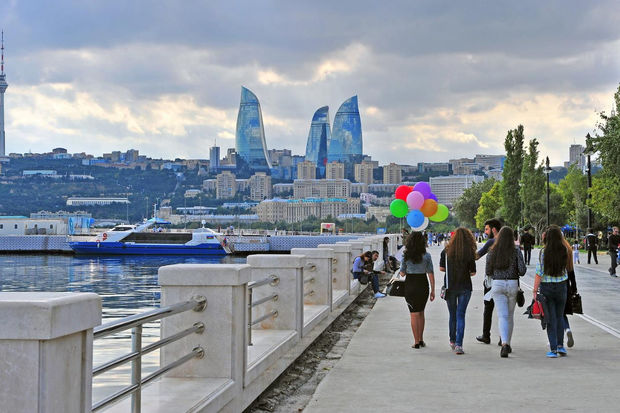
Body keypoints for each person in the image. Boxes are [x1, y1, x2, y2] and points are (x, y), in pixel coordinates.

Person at [486, 227, 526, 358]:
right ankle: (507, 343)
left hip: (497, 284)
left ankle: (504, 344)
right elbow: (522, 270)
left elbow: (488, 271)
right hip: (513, 284)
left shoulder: (492, 251)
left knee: (502, 316)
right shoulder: (516, 251)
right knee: (509, 316)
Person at [532, 225, 569, 358]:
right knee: (559, 316)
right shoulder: (564, 250)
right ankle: (561, 346)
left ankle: (553, 349)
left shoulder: (544, 251)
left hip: (547, 287)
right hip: (561, 286)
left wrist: (535, 290)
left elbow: (539, 272)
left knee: (550, 318)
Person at [439, 227, 476, 354]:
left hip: (450, 287)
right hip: (465, 286)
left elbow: (442, 268)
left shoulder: (446, 251)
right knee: (461, 315)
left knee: (452, 314)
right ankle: (459, 345)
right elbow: (473, 272)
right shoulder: (469, 252)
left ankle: (452, 340)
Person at [399, 232, 435, 349]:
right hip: (423, 284)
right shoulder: (427, 256)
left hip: (410, 285)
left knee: (413, 314)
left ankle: (416, 342)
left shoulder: (406, 255)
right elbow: (430, 273)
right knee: (421, 312)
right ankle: (421, 339)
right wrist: (433, 290)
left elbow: (402, 273)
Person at [475, 218, 502, 345]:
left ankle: (486, 335)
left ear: (493, 229)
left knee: (488, 308)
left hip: (491, 281)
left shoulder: (491, 242)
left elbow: (477, 256)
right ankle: (504, 338)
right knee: (504, 311)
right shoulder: (509, 242)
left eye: (486, 229)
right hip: (506, 280)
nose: (485, 232)